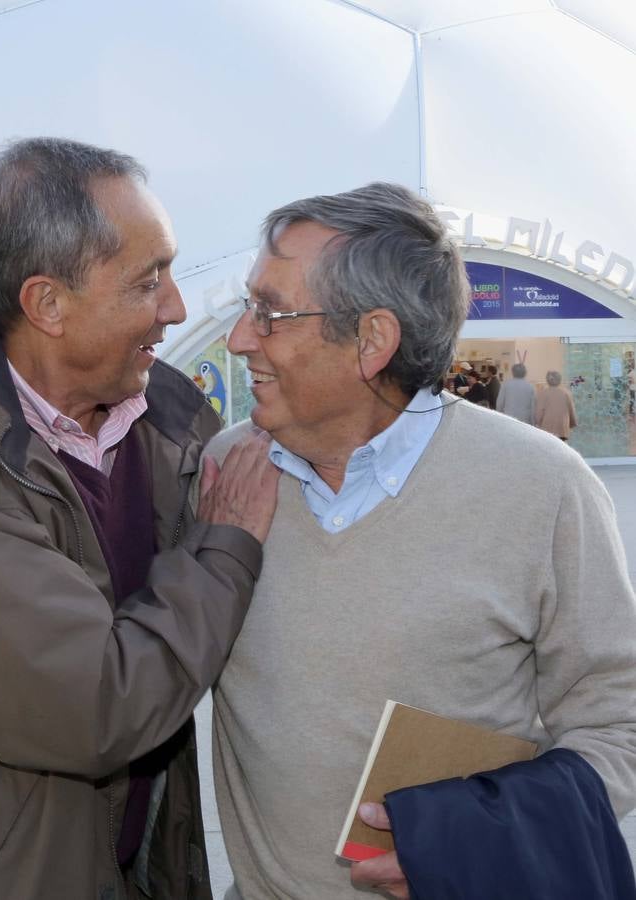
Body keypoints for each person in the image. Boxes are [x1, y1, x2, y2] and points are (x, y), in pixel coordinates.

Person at [204, 182, 636, 899]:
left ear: (372, 341)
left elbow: (619, 715)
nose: (239, 338)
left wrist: (480, 843)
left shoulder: (544, 487)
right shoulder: (220, 473)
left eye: (270, 313)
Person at [0, 137, 280, 900]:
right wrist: (226, 548)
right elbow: (101, 704)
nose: (178, 307)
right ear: (47, 304)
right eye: (147, 280)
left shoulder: (169, 421)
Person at [535, 370, 578, 440]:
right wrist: (573, 423)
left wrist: (537, 423)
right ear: (559, 380)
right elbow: (571, 410)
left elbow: (539, 411)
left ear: (548, 380)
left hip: (547, 428)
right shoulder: (566, 393)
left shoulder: (542, 393)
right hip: (562, 428)